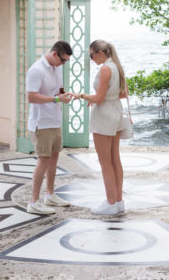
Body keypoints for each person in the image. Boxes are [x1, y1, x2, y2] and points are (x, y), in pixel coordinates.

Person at [73, 39, 128, 215]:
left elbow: (98, 98)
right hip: (115, 113)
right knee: (114, 159)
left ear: (100, 53)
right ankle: (118, 201)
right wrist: (101, 98)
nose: (91, 58)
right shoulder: (116, 66)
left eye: (91, 55)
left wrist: (81, 95)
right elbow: (123, 93)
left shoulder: (105, 69)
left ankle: (110, 202)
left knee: (105, 162)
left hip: (104, 116)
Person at [26, 40, 73, 215]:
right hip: (41, 123)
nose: (63, 64)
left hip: (55, 120)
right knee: (43, 160)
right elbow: (31, 97)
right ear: (55, 54)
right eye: (63, 60)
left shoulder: (57, 67)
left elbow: (58, 90)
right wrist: (56, 99)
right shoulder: (36, 70)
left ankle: (50, 194)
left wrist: (63, 95)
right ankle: (33, 202)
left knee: (54, 158)